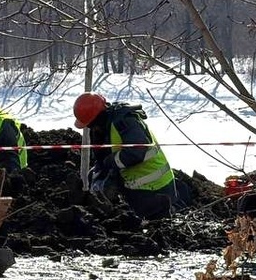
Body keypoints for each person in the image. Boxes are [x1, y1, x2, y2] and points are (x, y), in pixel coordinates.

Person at [73, 92, 181, 220]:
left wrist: (111, 162)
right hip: (140, 187)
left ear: (95, 118)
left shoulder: (124, 122)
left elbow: (138, 151)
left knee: (155, 229)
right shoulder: (106, 124)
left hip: (155, 187)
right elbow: (105, 155)